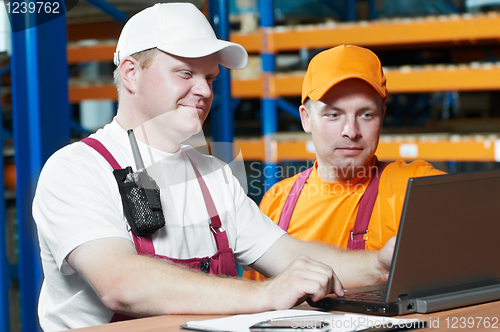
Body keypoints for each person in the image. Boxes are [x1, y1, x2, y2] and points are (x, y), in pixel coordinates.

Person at [32, 4, 395, 330]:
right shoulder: (76, 169)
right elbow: (122, 284)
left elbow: (289, 255)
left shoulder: (213, 175)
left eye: (210, 78)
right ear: (130, 73)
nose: (204, 91)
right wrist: (268, 293)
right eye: (186, 74)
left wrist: (379, 264)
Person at [243, 45, 445, 282]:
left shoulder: (411, 185)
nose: (351, 131)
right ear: (306, 119)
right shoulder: (276, 201)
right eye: (333, 114)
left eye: (366, 114)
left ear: (381, 117)